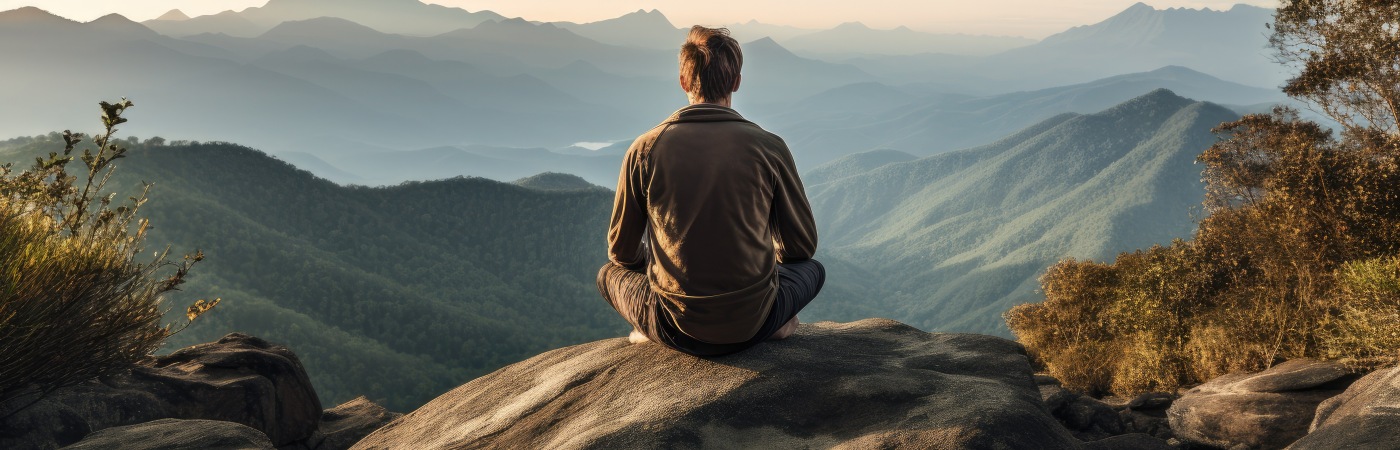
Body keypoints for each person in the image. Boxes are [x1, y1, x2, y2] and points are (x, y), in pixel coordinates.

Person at [596, 25, 825, 356]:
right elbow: (801, 249)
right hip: (754, 322)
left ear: (684, 82)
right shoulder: (769, 147)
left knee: (608, 275)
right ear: (736, 82)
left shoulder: (644, 150)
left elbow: (622, 253)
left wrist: (662, 270)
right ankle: (778, 323)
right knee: (812, 271)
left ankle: (650, 329)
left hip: (674, 326)